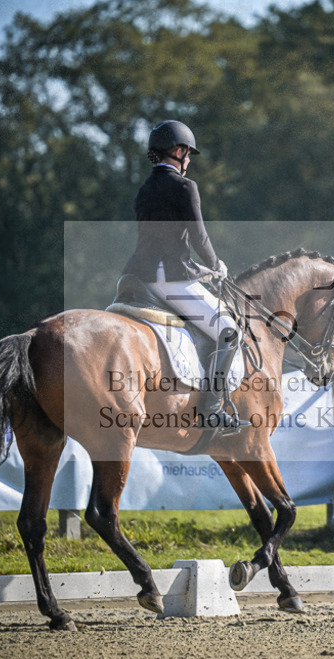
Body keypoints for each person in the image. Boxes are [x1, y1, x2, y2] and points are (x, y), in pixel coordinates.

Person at [120, 120, 240, 432]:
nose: (188, 162)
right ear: (178, 151)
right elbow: (198, 237)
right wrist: (216, 265)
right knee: (228, 329)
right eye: (188, 155)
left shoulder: (145, 189)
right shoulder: (185, 187)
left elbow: (162, 240)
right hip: (168, 279)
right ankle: (211, 408)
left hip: (136, 275)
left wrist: (198, 269)